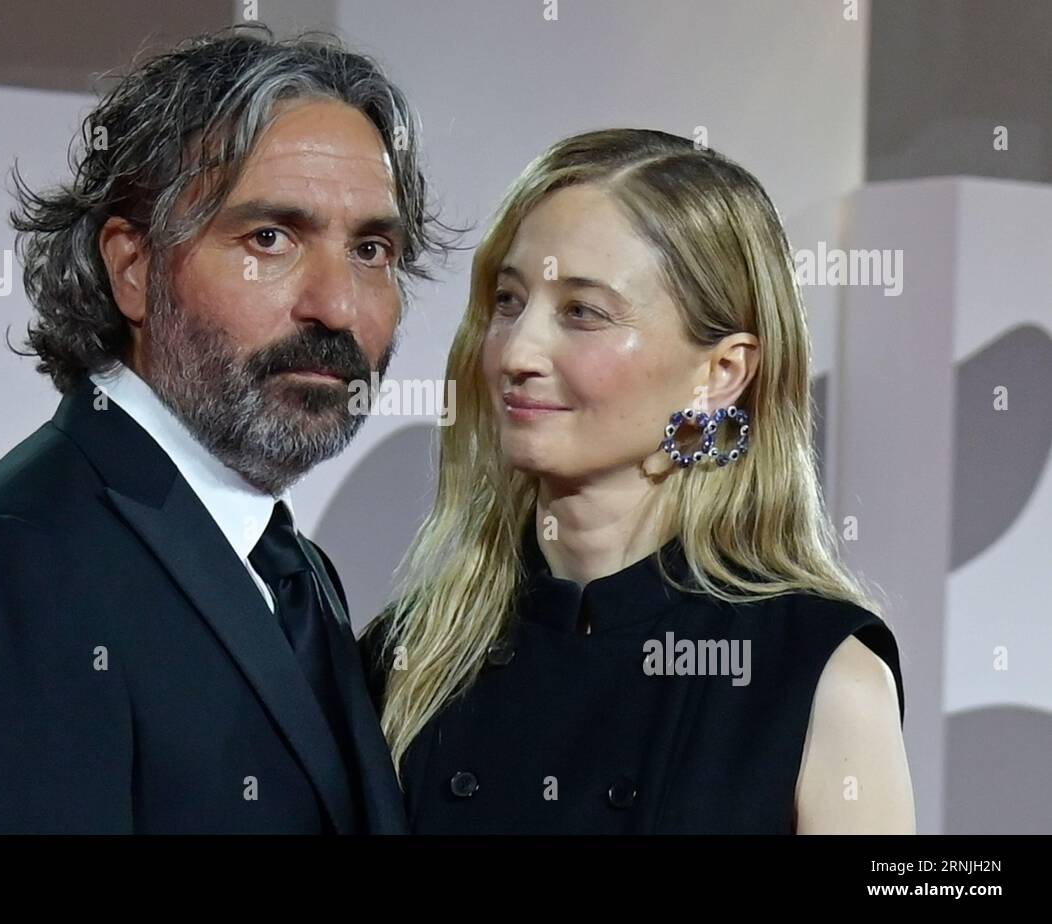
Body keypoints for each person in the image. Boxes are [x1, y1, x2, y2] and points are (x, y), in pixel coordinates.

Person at [0, 25, 454, 833]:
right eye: (269, 238)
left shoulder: (299, 575)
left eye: (372, 249)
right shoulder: (7, 568)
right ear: (133, 267)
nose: (336, 306)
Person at [362, 128, 915, 834]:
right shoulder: (407, 658)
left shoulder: (818, 679)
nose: (516, 353)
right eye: (507, 301)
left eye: (582, 312)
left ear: (721, 373)